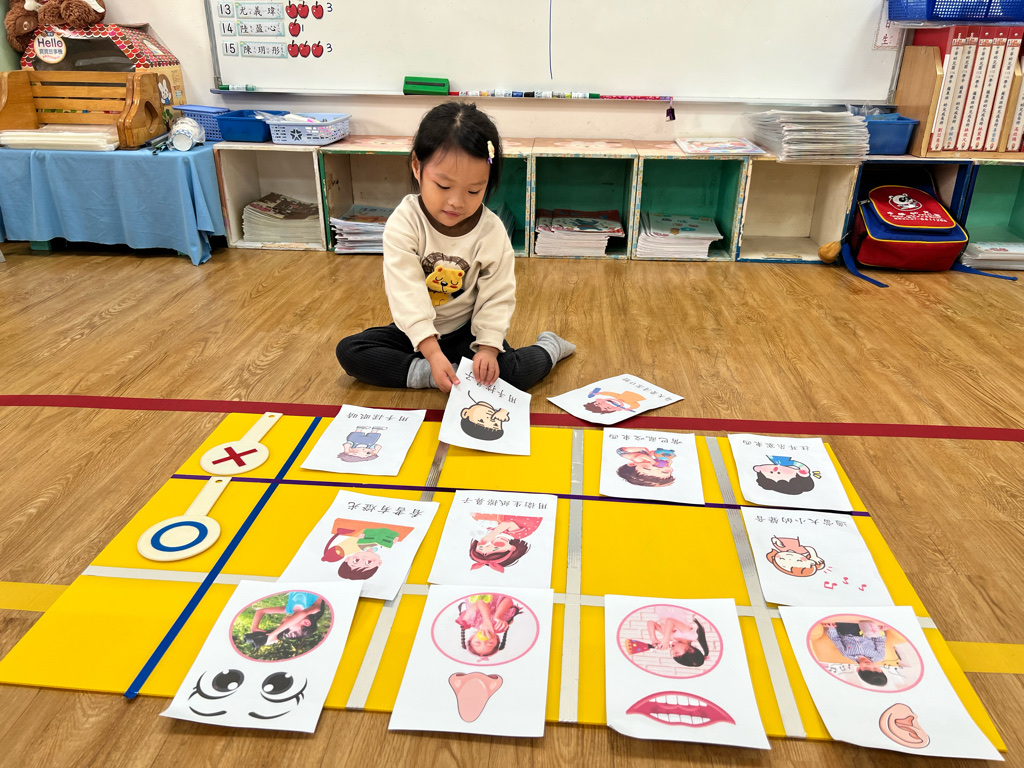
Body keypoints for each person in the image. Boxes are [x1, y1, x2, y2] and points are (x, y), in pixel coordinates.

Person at [335, 102, 575, 392]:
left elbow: (497, 295)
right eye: (443, 186)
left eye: (474, 190)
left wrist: (488, 348)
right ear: (417, 167)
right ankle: (429, 373)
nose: (456, 202)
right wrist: (432, 354)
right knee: (350, 351)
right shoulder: (405, 222)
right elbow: (406, 292)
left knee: (512, 376)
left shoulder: (491, 231)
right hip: (418, 333)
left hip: (466, 332)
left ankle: (549, 347)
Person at [243, 592, 326, 650]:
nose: (283, 627)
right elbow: (302, 613)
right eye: (288, 629)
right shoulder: (315, 608)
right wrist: (273, 634)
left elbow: (261, 611)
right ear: (306, 622)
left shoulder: (289, 609)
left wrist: (254, 628)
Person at [822, 621, 889, 687]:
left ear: (858, 669)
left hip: (846, 631)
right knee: (870, 627)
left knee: (847, 627)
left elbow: (836, 639)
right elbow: (879, 641)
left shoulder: (847, 654)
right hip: (866, 632)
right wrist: (881, 631)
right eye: (875, 668)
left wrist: (831, 628)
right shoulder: (879, 656)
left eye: (866, 668)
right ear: (880, 669)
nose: (870, 665)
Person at [468, 512, 542, 572]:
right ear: (511, 548)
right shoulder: (517, 535)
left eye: (481, 546)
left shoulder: (488, 528)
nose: (490, 543)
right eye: (496, 548)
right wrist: (492, 534)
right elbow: (508, 523)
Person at [455, 593, 521, 657]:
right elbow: (508, 600)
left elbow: (480, 601)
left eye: (477, 642)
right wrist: (498, 616)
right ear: (497, 640)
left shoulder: (469, 621)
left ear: (471, 638)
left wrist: (486, 620)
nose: (484, 640)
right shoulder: (500, 625)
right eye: (490, 643)